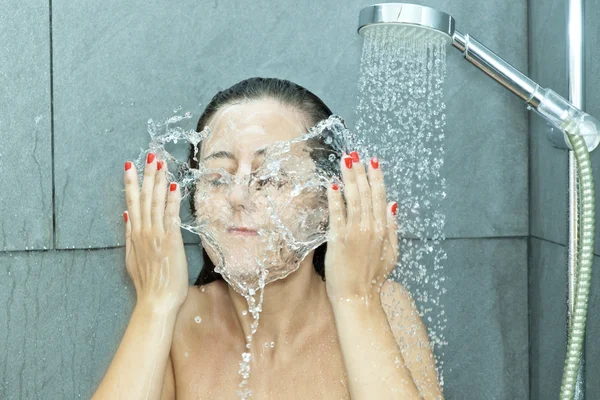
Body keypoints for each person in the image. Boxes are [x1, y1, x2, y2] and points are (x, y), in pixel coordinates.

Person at [92, 77, 443, 400]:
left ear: (326, 202)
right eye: (217, 177)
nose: (238, 195)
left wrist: (356, 301)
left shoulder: (381, 307)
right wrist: (153, 303)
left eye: (273, 177)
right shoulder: (176, 322)